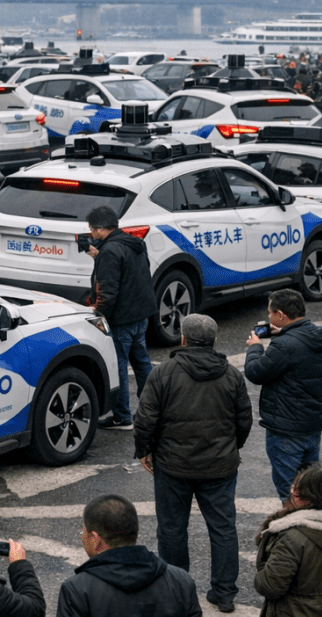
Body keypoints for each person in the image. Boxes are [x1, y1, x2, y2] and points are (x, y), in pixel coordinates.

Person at [133, 314, 252, 613]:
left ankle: (176, 591)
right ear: (213, 341)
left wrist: (144, 451)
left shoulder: (163, 373)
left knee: (172, 531)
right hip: (220, 466)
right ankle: (224, 594)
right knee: (223, 529)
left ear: (183, 339)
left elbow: (145, 420)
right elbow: (244, 421)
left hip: (173, 466)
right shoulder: (232, 375)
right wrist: (230, 448)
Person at [244, 289, 322, 503]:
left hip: (286, 430)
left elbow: (256, 372)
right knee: (310, 487)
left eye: (270, 313)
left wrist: (255, 348)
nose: (268, 317)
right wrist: (285, 333)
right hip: (312, 424)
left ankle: (295, 527)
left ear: (281, 315)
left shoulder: (284, 345)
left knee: (289, 491)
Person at [57, 494, 200, 617]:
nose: (82, 537)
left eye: (84, 531)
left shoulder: (77, 590)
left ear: (95, 539)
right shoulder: (181, 581)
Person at [253, 461, 322, 617]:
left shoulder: (293, 537)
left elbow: (269, 586)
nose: (292, 492)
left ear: (309, 498)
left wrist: (262, 571)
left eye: (296, 489)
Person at [83, 206, 155, 431]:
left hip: (122, 319)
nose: (91, 234)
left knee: (120, 366)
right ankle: (154, 407)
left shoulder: (110, 252)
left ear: (102, 230)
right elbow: (133, 274)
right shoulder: (133, 244)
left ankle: (122, 414)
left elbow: (108, 291)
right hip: (140, 314)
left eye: (92, 230)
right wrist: (99, 257)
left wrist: (99, 316)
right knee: (142, 362)